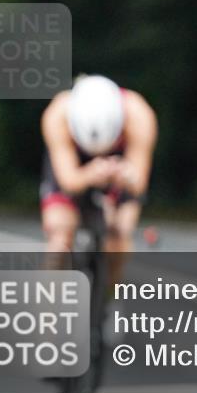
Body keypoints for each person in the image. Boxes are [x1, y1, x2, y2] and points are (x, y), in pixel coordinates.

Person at [40, 75, 157, 282]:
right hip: (73, 166)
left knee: (120, 232)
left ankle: (110, 294)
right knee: (59, 237)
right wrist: (90, 174)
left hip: (121, 167)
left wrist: (125, 176)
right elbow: (68, 180)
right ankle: (48, 308)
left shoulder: (139, 114)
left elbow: (139, 184)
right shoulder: (57, 115)